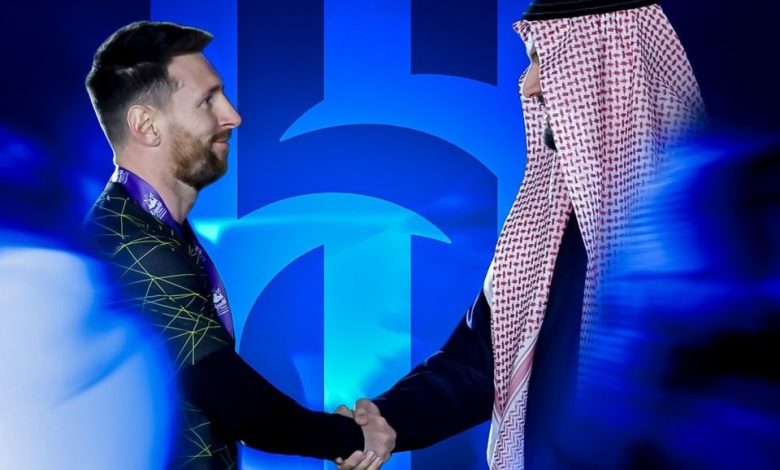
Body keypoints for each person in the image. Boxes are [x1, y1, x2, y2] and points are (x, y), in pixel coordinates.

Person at [336, 1, 705, 468]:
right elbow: (479, 365)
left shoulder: (714, 228)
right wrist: (390, 419)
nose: (528, 86)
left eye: (543, 60)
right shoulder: (553, 221)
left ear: (610, 63)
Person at [82, 21, 394, 469]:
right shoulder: (128, 240)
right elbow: (237, 402)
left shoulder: (150, 226)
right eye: (207, 100)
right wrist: (349, 437)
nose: (232, 116)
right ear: (146, 125)